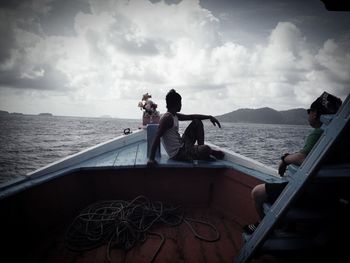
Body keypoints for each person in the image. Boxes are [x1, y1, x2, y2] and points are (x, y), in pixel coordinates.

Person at [244, 91, 342, 235]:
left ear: (314, 113)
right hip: (331, 198)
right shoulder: (342, 138)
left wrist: (285, 159)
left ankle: (264, 228)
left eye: (309, 111)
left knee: (257, 192)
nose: (309, 114)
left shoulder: (319, 133)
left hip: (310, 196)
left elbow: (303, 158)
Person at [147, 89, 224, 166]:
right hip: (178, 153)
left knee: (197, 122)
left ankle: (203, 153)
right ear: (176, 103)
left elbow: (192, 116)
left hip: (183, 144)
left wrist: (209, 117)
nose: (181, 105)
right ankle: (205, 152)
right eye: (180, 102)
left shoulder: (174, 115)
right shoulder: (167, 118)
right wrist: (151, 159)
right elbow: (157, 137)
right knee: (206, 149)